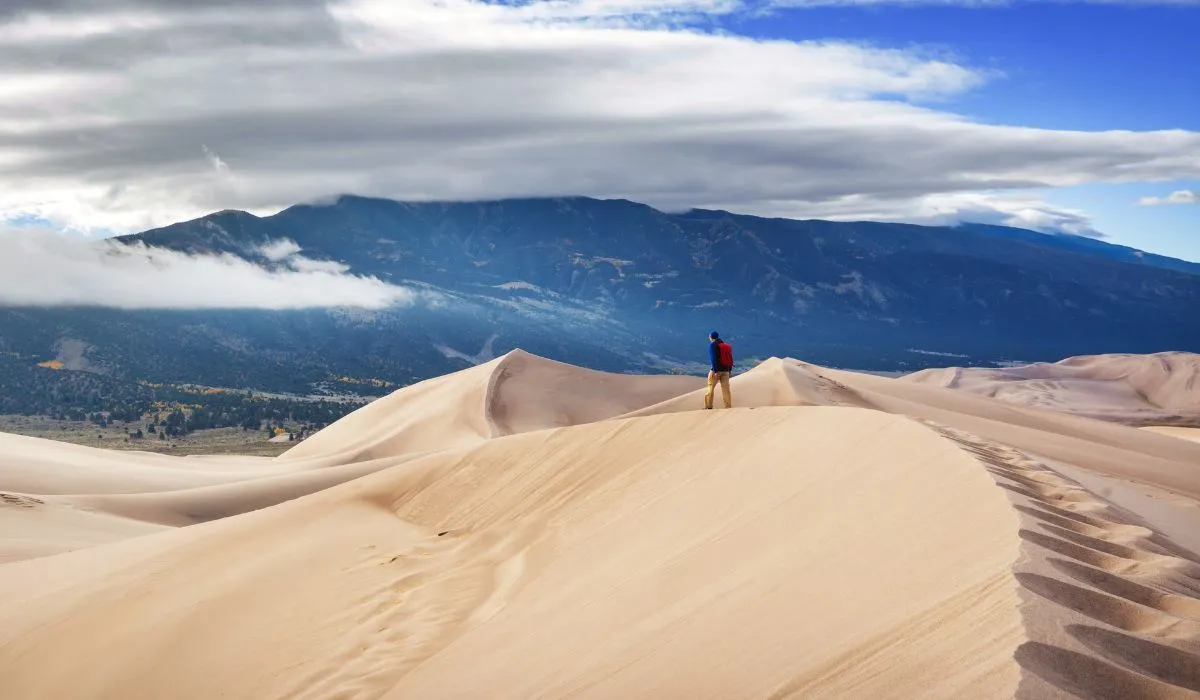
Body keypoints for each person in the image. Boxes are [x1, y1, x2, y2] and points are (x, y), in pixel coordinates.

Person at [705, 331, 733, 409]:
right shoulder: (725, 345)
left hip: (716, 371)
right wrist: (729, 370)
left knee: (710, 387)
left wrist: (715, 371)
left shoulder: (713, 345)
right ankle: (728, 406)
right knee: (726, 389)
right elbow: (730, 358)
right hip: (726, 371)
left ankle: (708, 406)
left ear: (711, 337)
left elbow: (713, 359)